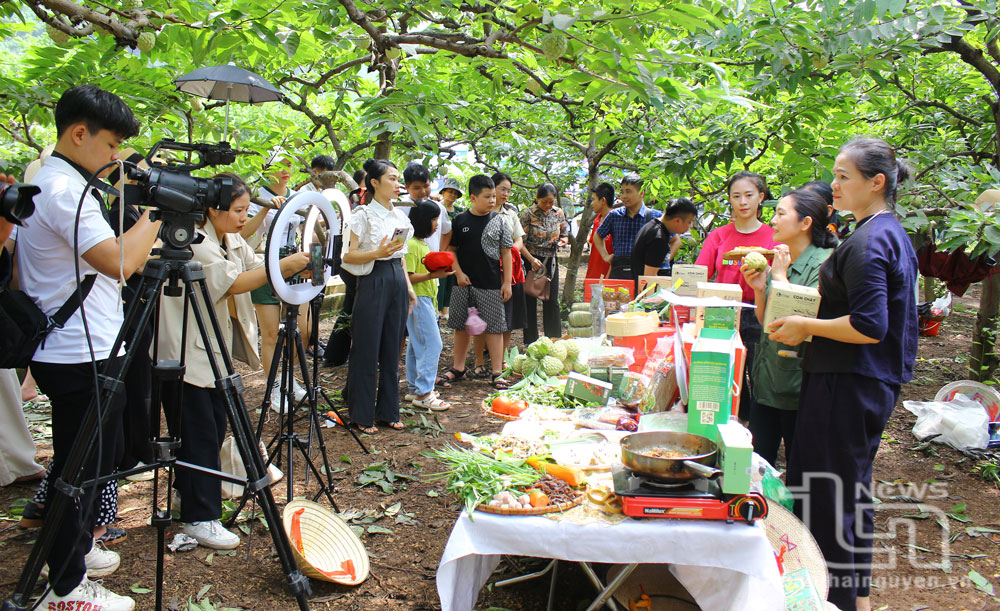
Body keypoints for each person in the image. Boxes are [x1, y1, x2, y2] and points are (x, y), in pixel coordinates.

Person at [20, 85, 161, 611]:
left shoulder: (56, 183)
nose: (116, 156)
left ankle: (73, 552)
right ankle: (65, 588)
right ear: (79, 134)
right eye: (112, 143)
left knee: (81, 462)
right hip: (78, 353)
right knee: (77, 468)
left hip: (81, 346)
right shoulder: (63, 191)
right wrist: (160, 214)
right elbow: (122, 262)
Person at [770, 138, 917, 611]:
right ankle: (846, 593)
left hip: (849, 382)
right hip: (852, 379)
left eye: (843, 177)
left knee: (830, 496)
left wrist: (805, 327)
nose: (833, 185)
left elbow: (870, 326)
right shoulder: (880, 231)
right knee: (843, 491)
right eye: (834, 176)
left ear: (876, 183)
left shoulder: (873, 240)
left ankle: (834, 598)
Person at [156, 172, 309, 550]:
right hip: (185, 354)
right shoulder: (197, 242)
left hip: (209, 349)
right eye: (238, 210)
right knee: (201, 435)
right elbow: (235, 281)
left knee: (209, 426)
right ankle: (200, 517)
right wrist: (285, 268)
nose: (244, 217)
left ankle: (185, 496)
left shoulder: (225, 236)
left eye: (246, 209)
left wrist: (282, 258)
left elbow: (250, 257)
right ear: (213, 208)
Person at [740, 187, 836, 467]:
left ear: (805, 223)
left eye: (781, 213)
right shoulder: (783, 257)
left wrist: (779, 277)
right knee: (758, 464)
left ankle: (794, 513)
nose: (772, 220)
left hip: (799, 388)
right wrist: (759, 289)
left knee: (801, 468)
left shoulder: (824, 264)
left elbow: (798, 319)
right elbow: (767, 323)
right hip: (767, 381)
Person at [342, 159, 417, 434]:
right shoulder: (361, 215)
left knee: (391, 347)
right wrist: (376, 253)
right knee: (366, 347)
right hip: (372, 278)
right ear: (375, 183)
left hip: (397, 277)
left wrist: (408, 289)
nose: (398, 184)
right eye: (392, 179)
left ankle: (388, 411)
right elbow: (347, 255)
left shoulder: (400, 217)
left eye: (399, 179)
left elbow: (402, 257)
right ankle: (361, 414)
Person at [696, 171, 776, 422]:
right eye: (736, 196)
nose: (743, 202)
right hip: (723, 311)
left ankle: (760, 427)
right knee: (729, 371)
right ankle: (735, 421)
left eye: (749, 195)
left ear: (761, 197)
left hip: (760, 309)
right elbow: (701, 272)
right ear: (729, 199)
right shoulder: (719, 235)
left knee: (759, 370)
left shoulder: (774, 236)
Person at [245, 154, 309, 408]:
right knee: (271, 332)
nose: (285, 171)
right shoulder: (256, 195)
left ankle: (289, 378)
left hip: (294, 263)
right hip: (264, 264)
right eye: (278, 166)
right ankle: (273, 387)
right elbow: (245, 232)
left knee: (303, 328)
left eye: (289, 165)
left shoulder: (297, 196)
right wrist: (265, 207)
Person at [439, 175, 513, 390]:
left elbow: (506, 253)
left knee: (494, 328)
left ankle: (497, 372)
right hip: (463, 284)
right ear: (473, 197)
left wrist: (506, 282)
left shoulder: (499, 220)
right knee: (461, 327)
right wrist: (459, 274)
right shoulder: (460, 220)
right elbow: (452, 251)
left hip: (491, 283)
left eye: (493, 196)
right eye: (487, 196)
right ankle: (458, 367)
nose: (492, 200)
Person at [403, 199, 452, 411]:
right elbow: (408, 276)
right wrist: (434, 275)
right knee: (433, 344)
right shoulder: (413, 245)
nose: (437, 224)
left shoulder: (420, 243)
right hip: (419, 299)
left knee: (416, 344)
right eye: (434, 219)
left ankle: (415, 388)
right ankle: (424, 393)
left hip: (425, 299)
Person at [519, 183, 568, 345]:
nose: (548, 205)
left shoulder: (558, 212)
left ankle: (554, 339)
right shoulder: (527, 215)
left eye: (551, 202)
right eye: (544, 201)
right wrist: (531, 260)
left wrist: (563, 240)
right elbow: (520, 242)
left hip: (551, 260)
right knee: (530, 299)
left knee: (551, 299)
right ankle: (531, 342)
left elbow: (564, 231)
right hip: (532, 260)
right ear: (537, 198)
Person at [594, 174, 662, 280]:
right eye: (622, 192)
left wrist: (659, 262)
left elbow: (675, 241)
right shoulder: (615, 215)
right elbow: (597, 236)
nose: (624, 196)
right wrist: (605, 256)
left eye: (628, 191)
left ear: (641, 193)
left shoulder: (656, 217)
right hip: (619, 273)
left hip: (645, 275)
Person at [630, 198, 698, 292]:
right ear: (677, 221)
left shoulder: (652, 226)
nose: (689, 227)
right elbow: (649, 280)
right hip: (645, 298)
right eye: (689, 222)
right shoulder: (658, 238)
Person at [436, 176, 464, 318]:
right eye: (450, 192)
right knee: (441, 280)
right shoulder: (436, 207)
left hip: (454, 250)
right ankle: (438, 309)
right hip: (440, 248)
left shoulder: (460, 211)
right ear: (443, 192)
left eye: (455, 193)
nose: (452, 195)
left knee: (451, 280)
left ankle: (446, 309)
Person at [584, 182, 615, 280]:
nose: (592, 203)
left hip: (607, 279)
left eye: (593, 199)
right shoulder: (597, 220)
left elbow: (615, 256)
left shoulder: (617, 222)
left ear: (603, 201)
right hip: (592, 276)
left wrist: (607, 279)